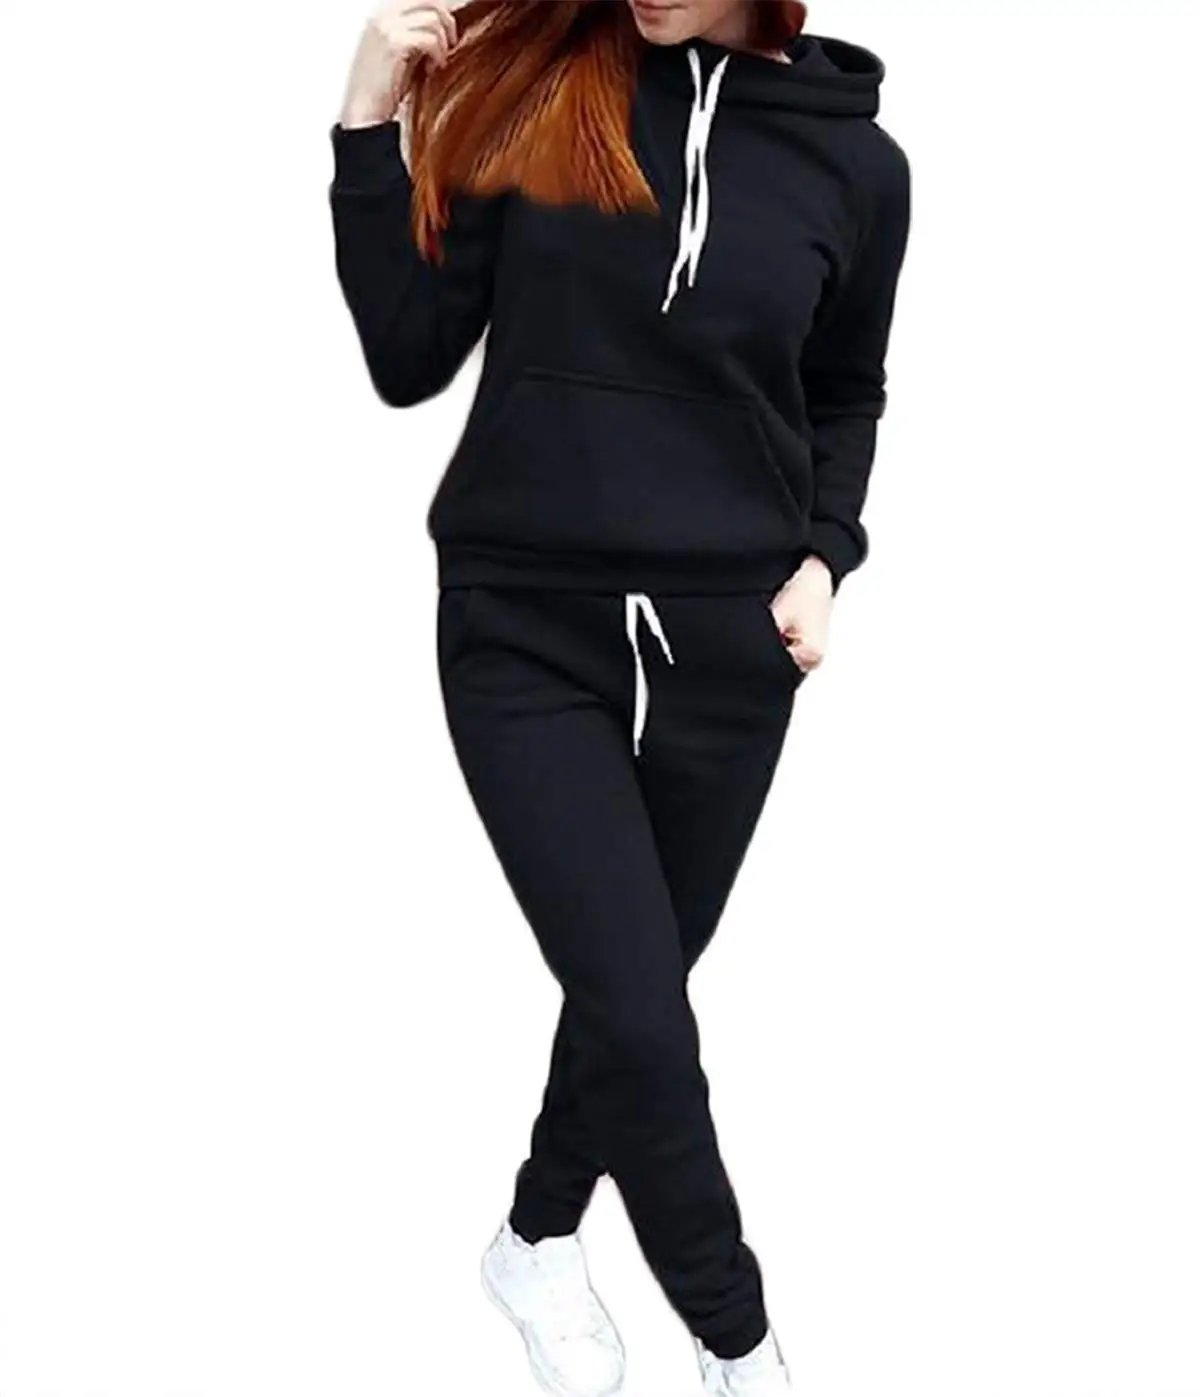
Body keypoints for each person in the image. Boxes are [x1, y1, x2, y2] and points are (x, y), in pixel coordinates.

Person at [328, 1, 911, 1392]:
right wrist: (367, 123)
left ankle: (535, 1238)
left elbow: (846, 390)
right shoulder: (542, 88)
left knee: (624, 1000)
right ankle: (741, 1342)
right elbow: (407, 355)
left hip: (731, 646)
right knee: (644, 1019)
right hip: (523, 623)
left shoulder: (860, 164)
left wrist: (825, 558)